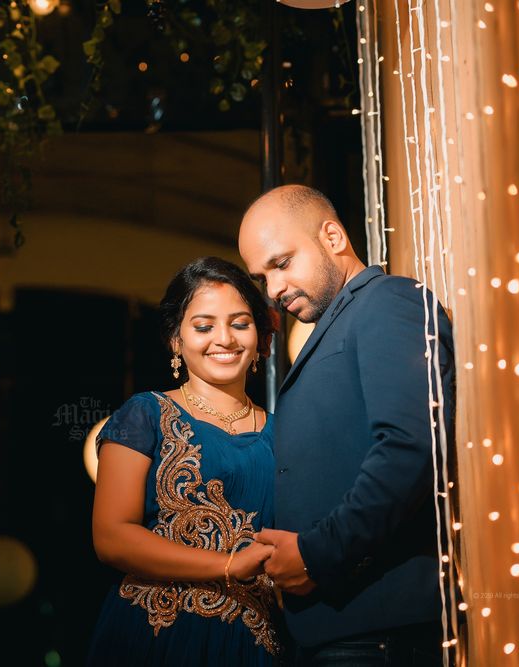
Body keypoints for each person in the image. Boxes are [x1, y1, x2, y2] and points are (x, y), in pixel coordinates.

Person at [238, 185, 455, 666]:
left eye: (282, 263)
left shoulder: (389, 301)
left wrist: (318, 554)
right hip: (338, 631)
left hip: (378, 632)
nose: (273, 290)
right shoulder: (339, 322)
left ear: (332, 236)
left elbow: (410, 447)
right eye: (262, 277)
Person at [87, 256, 282, 666]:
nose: (224, 339)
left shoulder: (284, 433)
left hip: (251, 642)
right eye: (204, 326)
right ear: (176, 339)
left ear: (261, 337)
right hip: (155, 633)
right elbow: (111, 537)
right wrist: (228, 565)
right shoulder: (144, 415)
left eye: (240, 323)